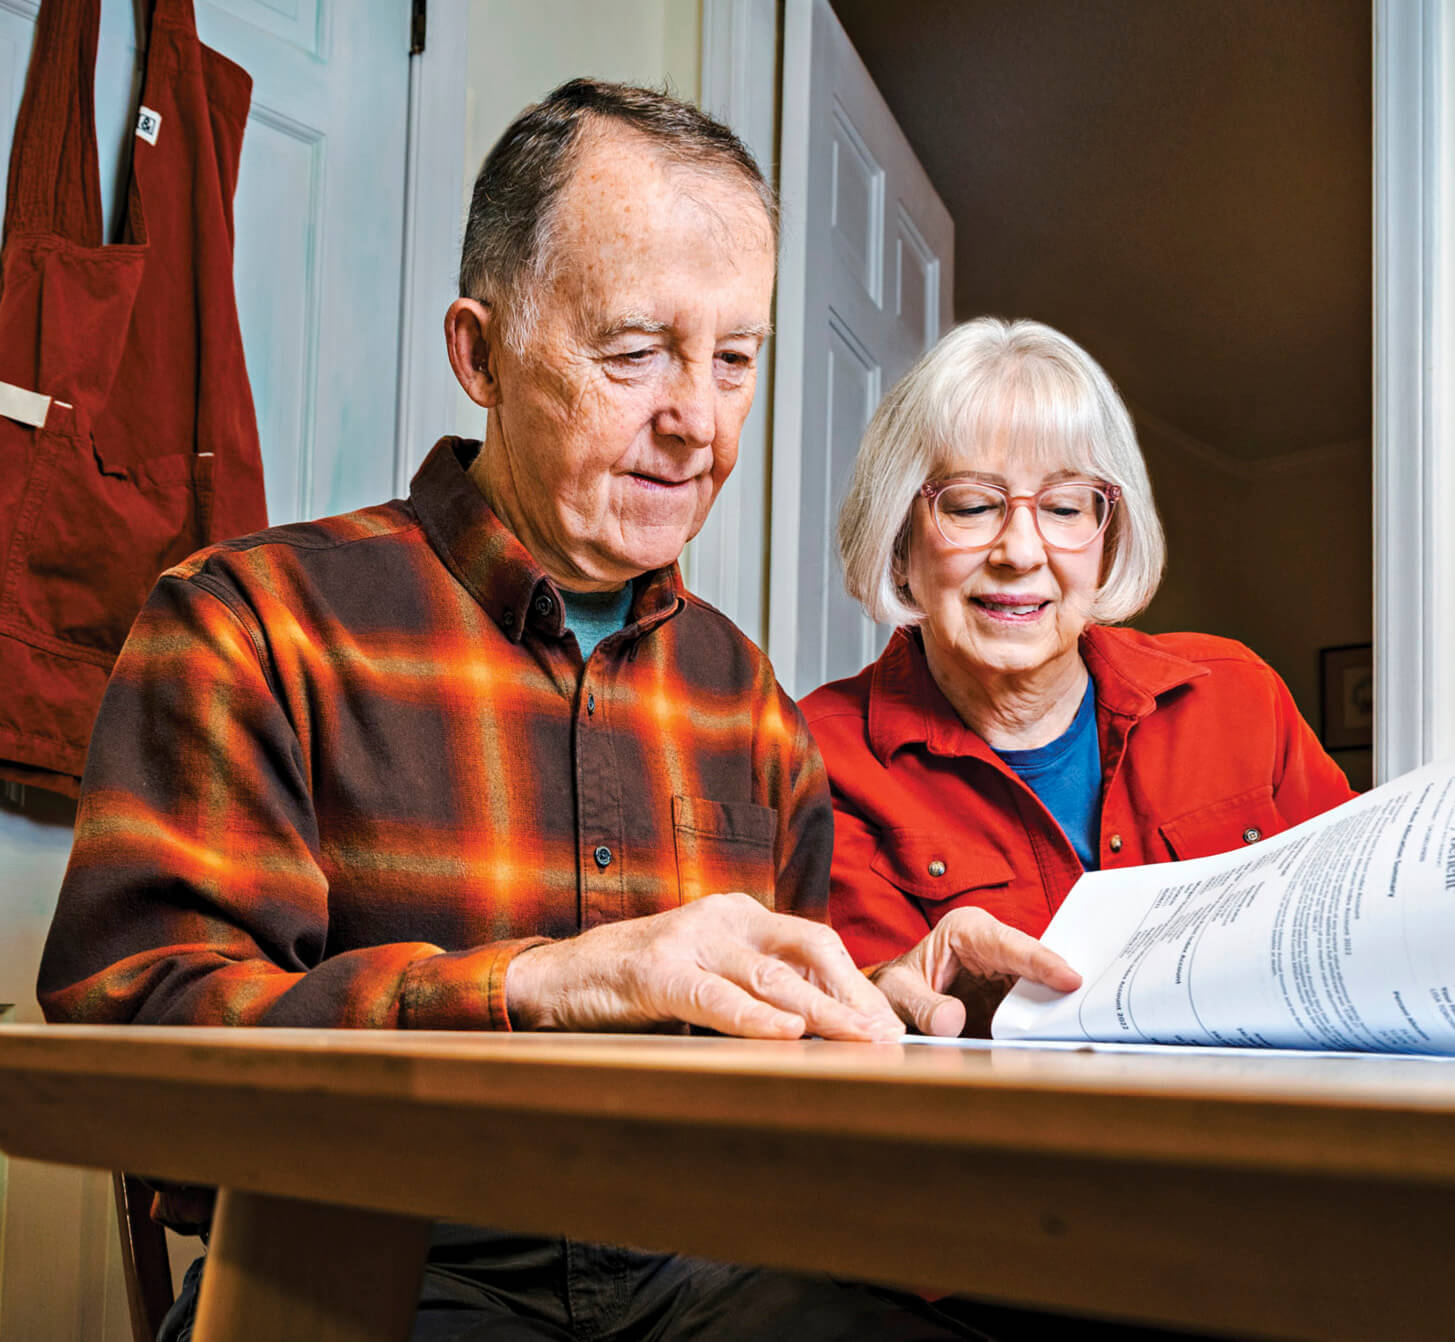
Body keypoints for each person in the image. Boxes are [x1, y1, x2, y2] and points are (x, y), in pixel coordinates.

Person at [37, 81, 980, 1342]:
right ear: (478, 352)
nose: (696, 421)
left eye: (735, 361)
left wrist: (874, 1005)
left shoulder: (749, 702)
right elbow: (136, 1046)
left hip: (707, 1273)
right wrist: (532, 986)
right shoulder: (249, 621)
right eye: (635, 351)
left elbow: (762, 1071)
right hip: (371, 1261)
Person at [803, 317, 1357, 1039]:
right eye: (970, 505)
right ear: (898, 540)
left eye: (1065, 507)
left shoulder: (1237, 695)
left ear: (1106, 541)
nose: (1021, 550)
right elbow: (874, 1028)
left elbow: (1355, 926)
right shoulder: (817, 758)